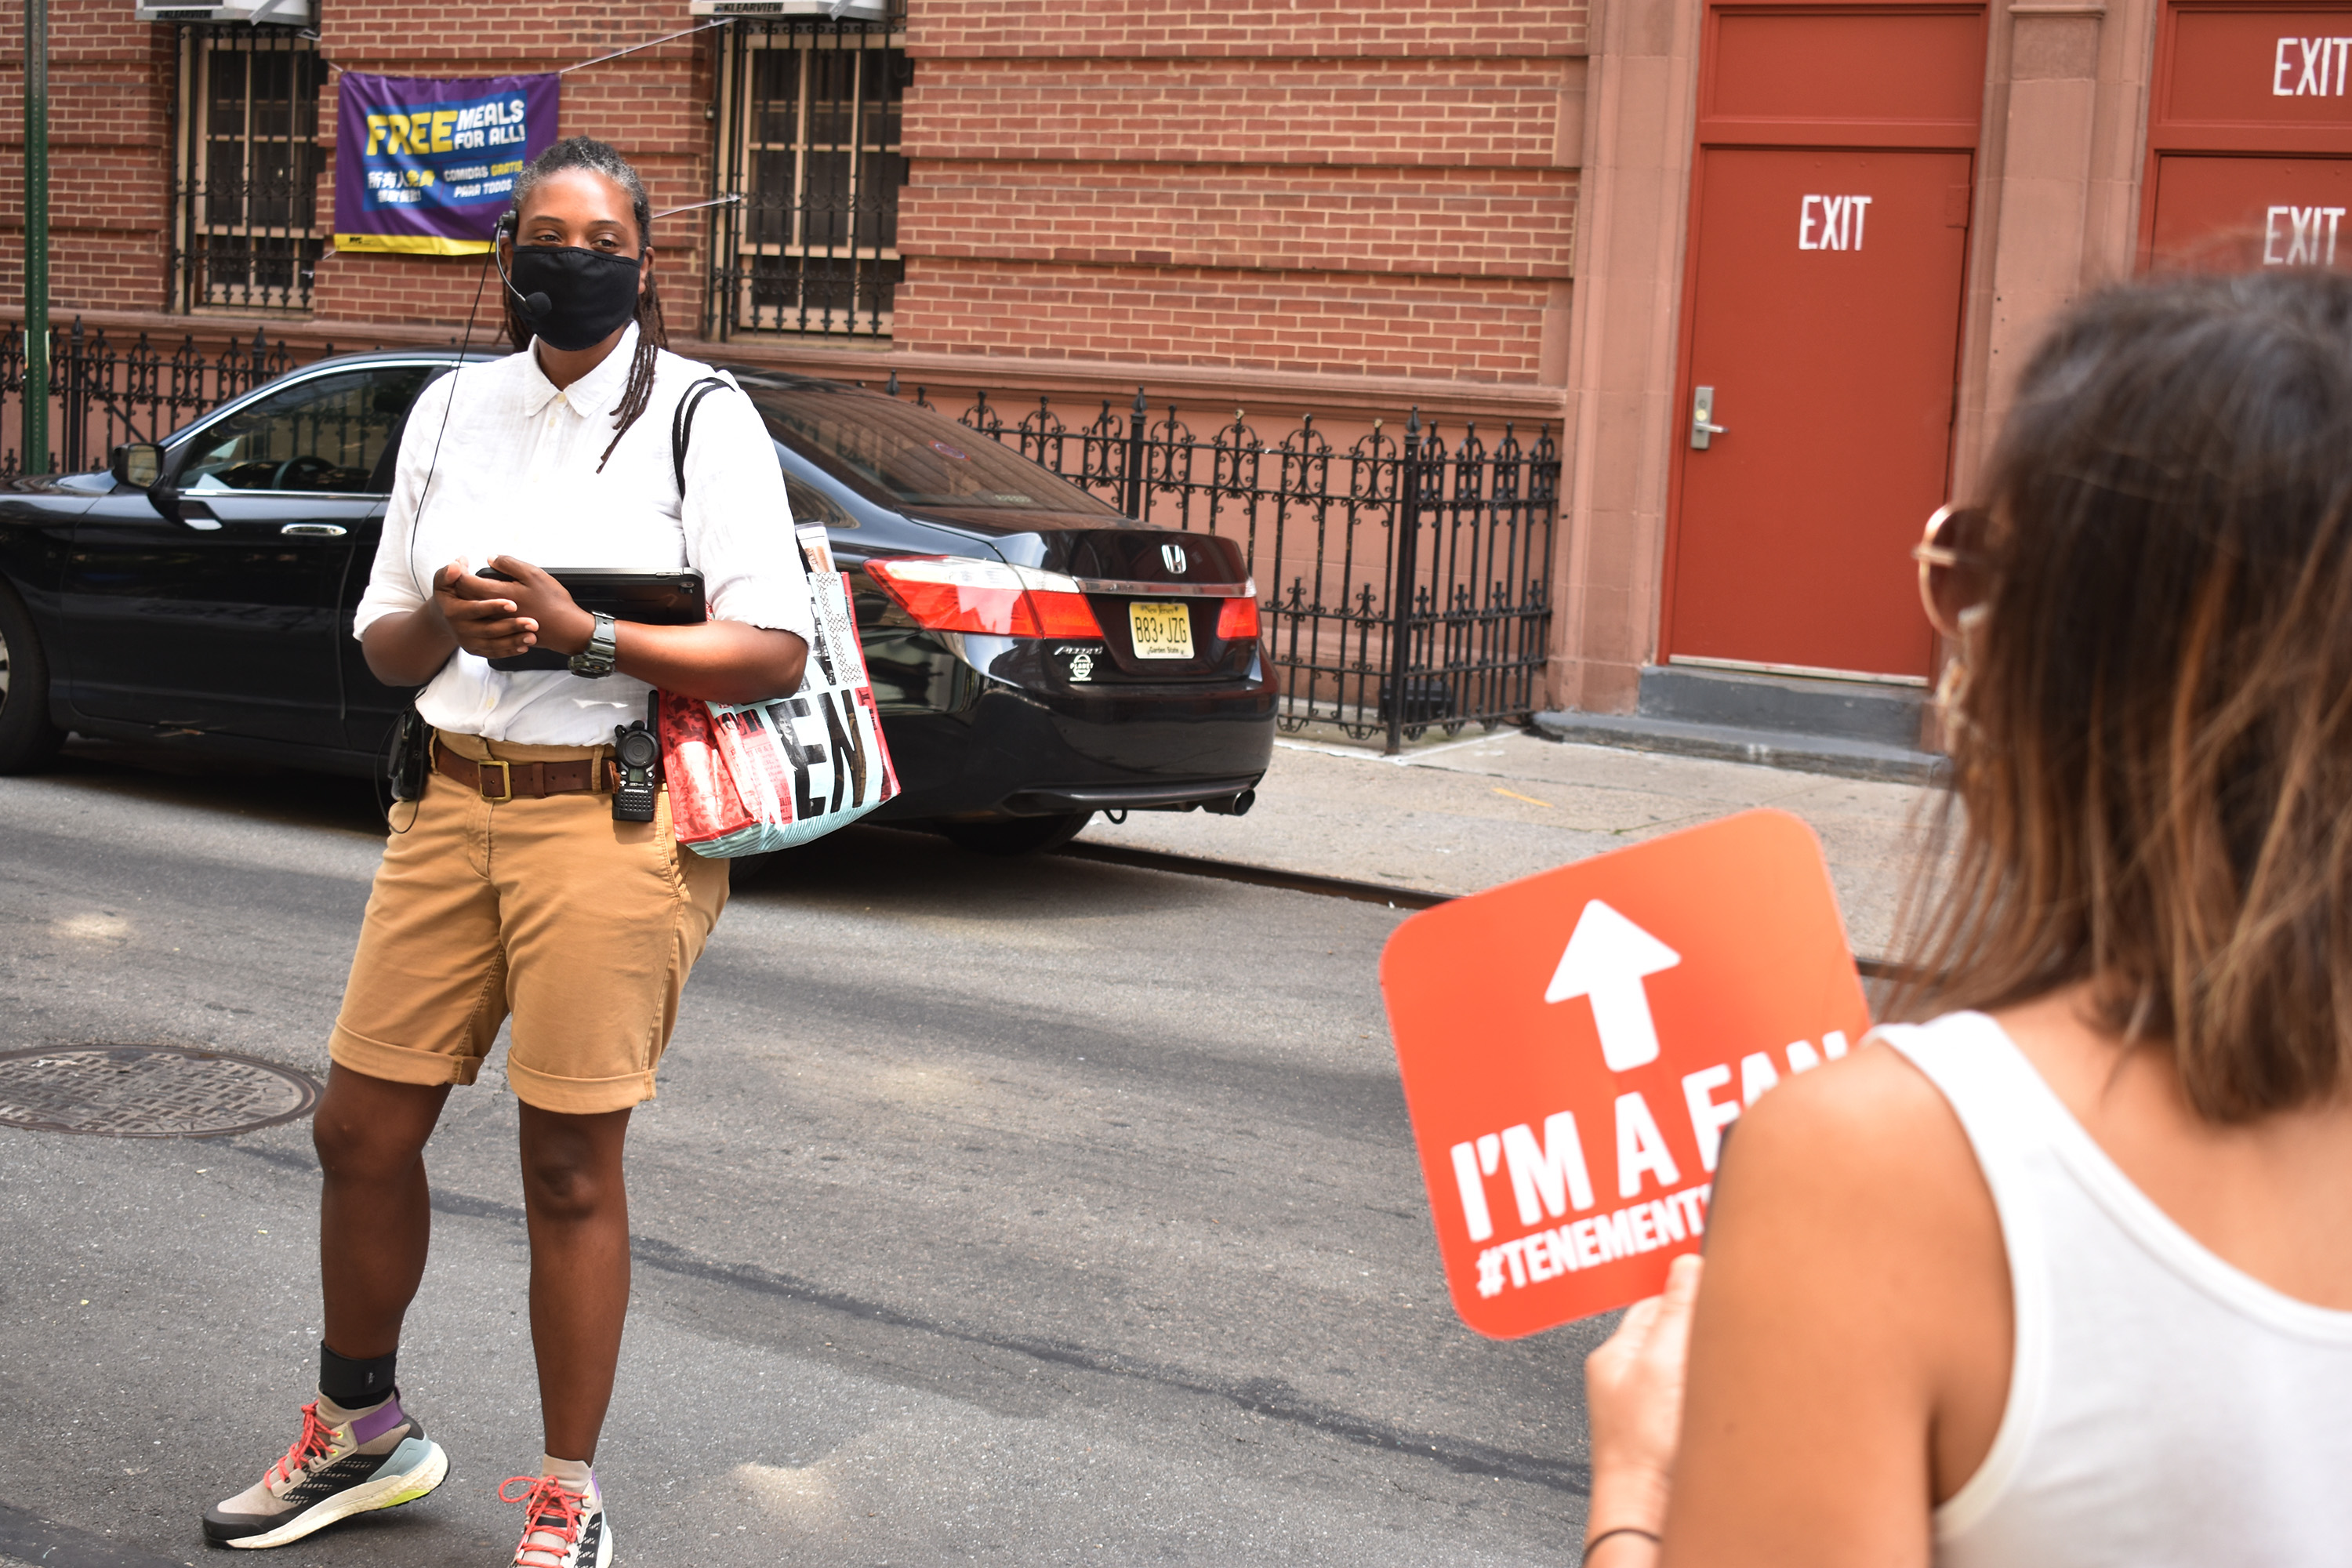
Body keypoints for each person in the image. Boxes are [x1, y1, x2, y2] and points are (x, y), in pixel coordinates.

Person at [1582, 270, 2352, 1566]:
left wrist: (1639, 1501)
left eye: (1979, 564)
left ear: (2071, 660)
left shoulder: (1879, 1165)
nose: (1956, 626)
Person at [201, 136, 812, 1568]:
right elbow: (383, 634)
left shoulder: (699, 416)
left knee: (568, 1165)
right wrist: (458, 629)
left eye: (598, 235)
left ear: (643, 261)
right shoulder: (450, 409)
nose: (568, 255)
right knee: (359, 1127)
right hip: (447, 795)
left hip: (608, 816)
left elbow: (771, 648)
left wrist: (585, 634)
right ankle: (362, 1435)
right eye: (542, 231)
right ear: (506, 257)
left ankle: (565, 1491)